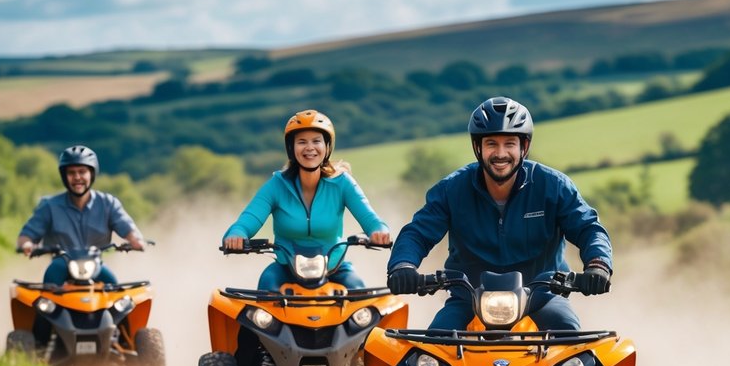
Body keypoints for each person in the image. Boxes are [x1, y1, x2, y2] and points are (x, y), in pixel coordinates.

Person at [386, 96, 612, 330]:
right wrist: (403, 266)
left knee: (574, 349)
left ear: (524, 147)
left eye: (510, 143)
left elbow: (588, 228)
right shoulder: (451, 190)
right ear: (478, 148)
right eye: (491, 143)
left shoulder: (554, 186)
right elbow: (418, 233)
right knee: (432, 353)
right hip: (469, 299)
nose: (500, 153)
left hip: (543, 297)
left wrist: (598, 264)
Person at [222, 110, 390, 290]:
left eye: (316, 141)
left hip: (334, 268)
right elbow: (249, 219)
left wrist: (379, 231)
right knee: (266, 289)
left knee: (360, 294)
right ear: (291, 148)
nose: (309, 147)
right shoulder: (276, 186)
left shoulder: (342, 184)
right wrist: (237, 234)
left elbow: (370, 218)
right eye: (302, 142)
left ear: (327, 146)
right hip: (285, 268)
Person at [17, 144, 146, 286]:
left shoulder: (108, 203)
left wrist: (136, 241)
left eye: (82, 172)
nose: (77, 177)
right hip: (60, 265)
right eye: (71, 173)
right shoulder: (49, 206)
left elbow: (127, 227)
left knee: (116, 291)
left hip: (95, 266)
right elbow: (27, 234)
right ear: (64, 176)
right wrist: (27, 245)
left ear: (92, 174)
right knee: (48, 289)